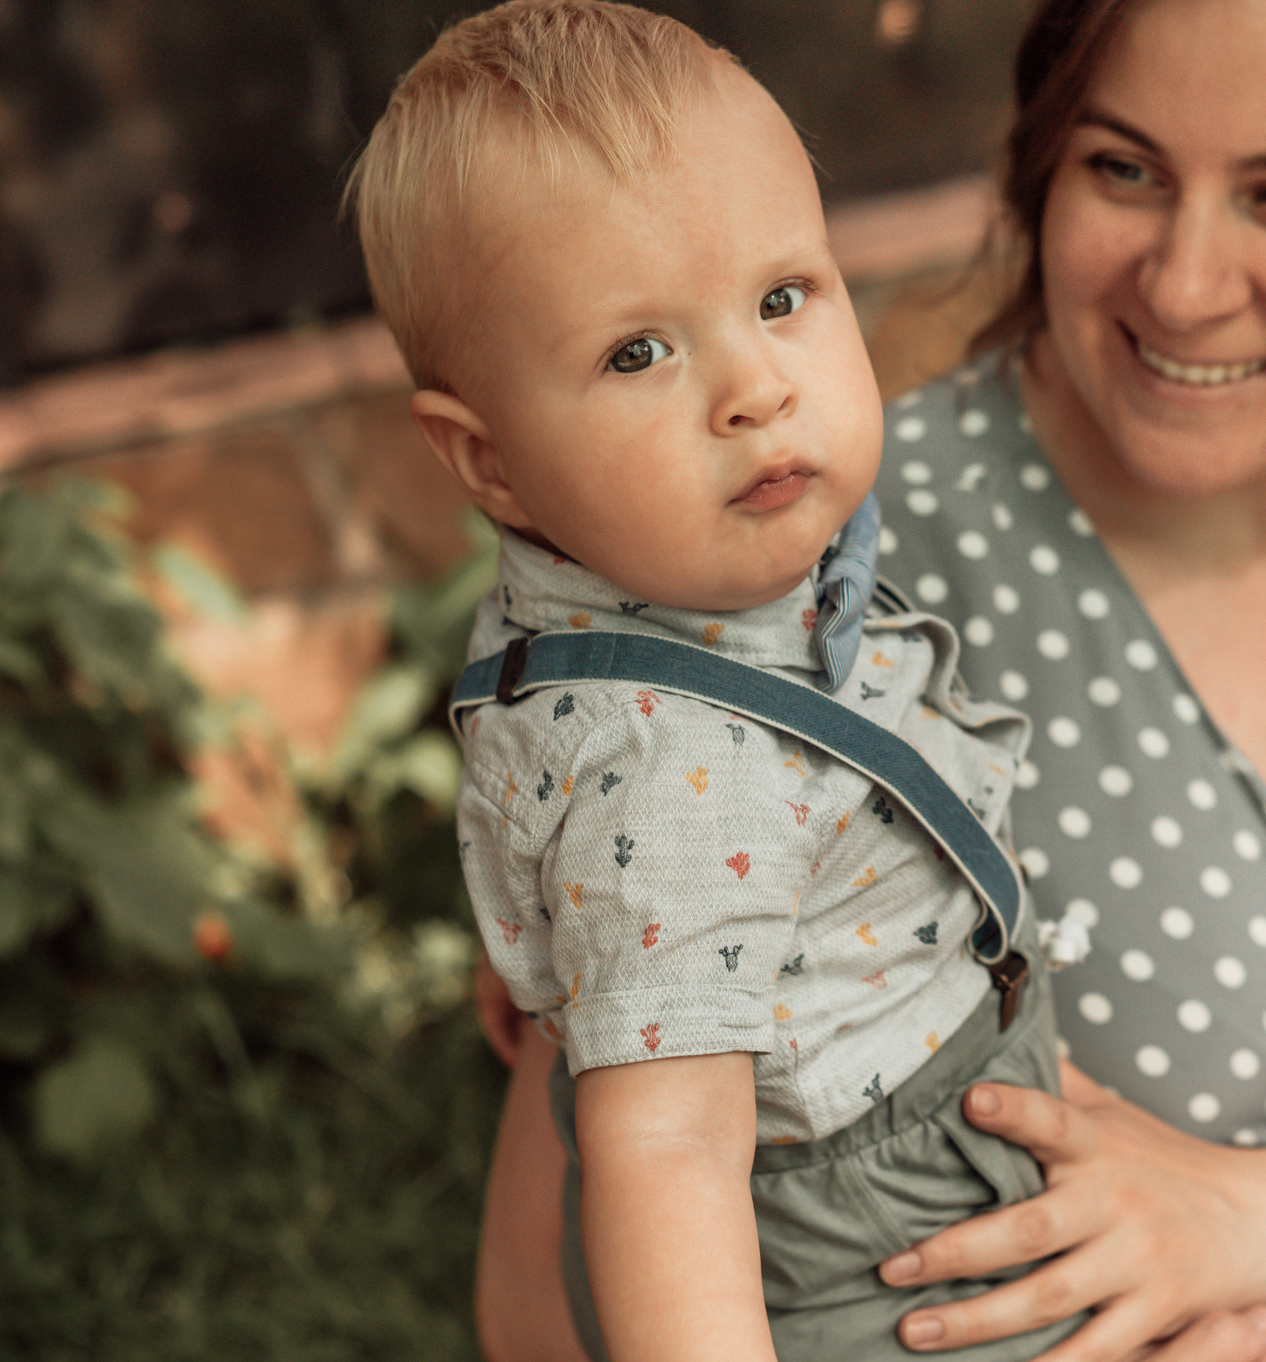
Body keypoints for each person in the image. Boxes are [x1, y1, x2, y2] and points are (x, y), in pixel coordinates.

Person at [466, 0, 1266, 1359]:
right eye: (1124, 169)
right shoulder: (800, 588)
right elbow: (552, 1298)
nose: (1183, 284)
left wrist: (1245, 1218)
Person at [344, 4, 1095, 1359]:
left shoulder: (652, 579)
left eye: (781, 297)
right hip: (875, 1258)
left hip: (926, 1112)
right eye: (638, 351)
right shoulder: (676, 772)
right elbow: (674, 1148)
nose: (755, 386)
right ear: (493, 464)